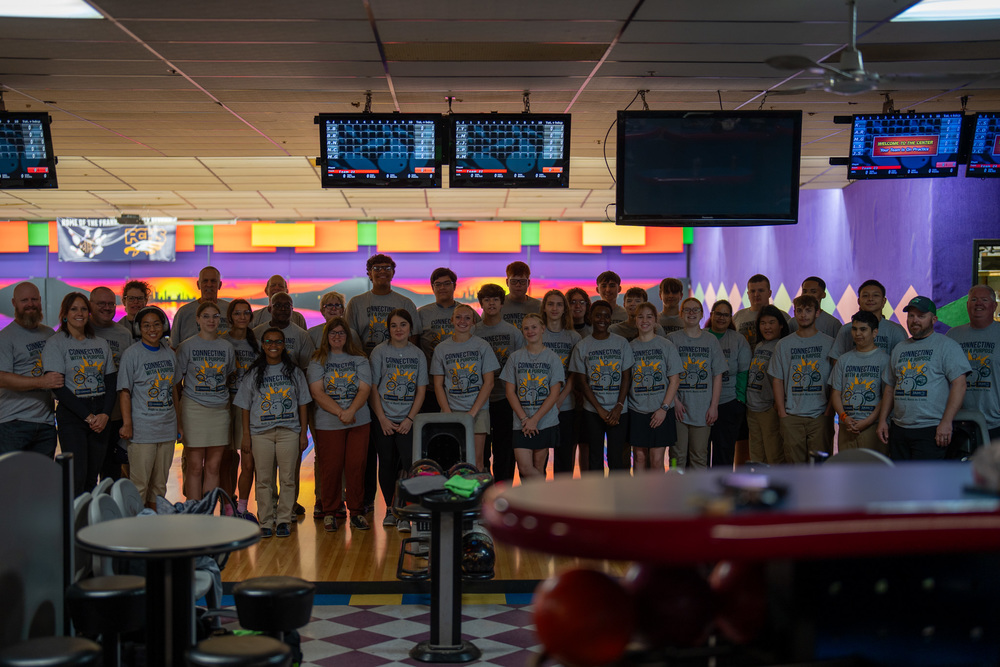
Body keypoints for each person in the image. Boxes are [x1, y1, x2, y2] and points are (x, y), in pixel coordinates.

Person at [234, 328, 311, 538]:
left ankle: (284, 520)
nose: (273, 345)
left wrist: (303, 433)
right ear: (263, 345)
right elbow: (245, 407)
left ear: (284, 344)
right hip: (261, 433)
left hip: (289, 431)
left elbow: (303, 404)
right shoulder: (254, 372)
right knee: (264, 480)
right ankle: (266, 521)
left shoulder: (294, 372)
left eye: (277, 341)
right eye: (268, 341)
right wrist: (246, 436)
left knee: (287, 479)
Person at [877, 296, 971, 460]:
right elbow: (890, 388)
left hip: (931, 429)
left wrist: (946, 422)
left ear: (933, 319)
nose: (915, 320)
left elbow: (960, 385)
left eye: (921, 316)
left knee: (926, 484)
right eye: (911, 316)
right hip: (899, 428)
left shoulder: (946, 345)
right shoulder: (900, 348)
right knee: (901, 482)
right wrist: (883, 420)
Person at [42, 292, 117, 495]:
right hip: (73, 415)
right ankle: (73, 524)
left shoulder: (100, 344)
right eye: (74, 309)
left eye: (83, 309)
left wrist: (104, 415)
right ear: (65, 314)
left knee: (93, 476)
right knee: (77, 476)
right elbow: (57, 387)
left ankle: (90, 522)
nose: (80, 313)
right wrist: (88, 416)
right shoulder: (55, 343)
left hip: (101, 413)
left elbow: (111, 383)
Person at [308, 317, 372, 533]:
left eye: (341, 333)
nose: (337, 336)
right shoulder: (318, 360)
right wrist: (340, 413)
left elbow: (364, 389)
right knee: (331, 468)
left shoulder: (360, 359)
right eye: (333, 333)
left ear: (348, 336)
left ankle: (356, 512)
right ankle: (330, 511)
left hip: (358, 420)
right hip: (328, 422)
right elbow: (317, 392)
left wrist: (351, 411)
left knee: (356, 466)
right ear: (326, 336)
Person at [369, 309, 428, 530]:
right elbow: (373, 388)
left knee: (408, 465)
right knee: (385, 464)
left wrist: (410, 419)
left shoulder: (418, 354)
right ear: (388, 329)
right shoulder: (378, 352)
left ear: (410, 328)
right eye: (394, 325)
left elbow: (421, 391)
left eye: (403, 324)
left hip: (407, 420)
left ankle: (405, 512)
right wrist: (382, 418)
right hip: (383, 419)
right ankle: (390, 510)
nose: (398, 329)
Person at [117, 306, 180, 507]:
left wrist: (178, 424)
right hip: (143, 429)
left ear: (164, 326)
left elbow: (174, 391)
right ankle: (137, 530)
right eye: (146, 325)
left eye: (156, 324)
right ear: (138, 329)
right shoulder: (132, 354)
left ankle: (154, 525)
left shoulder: (169, 353)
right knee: (140, 485)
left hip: (166, 428)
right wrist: (127, 424)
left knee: (160, 485)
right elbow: (124, 392)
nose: (152, 329)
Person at [175, 301, 236, 500]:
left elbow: (227, 376)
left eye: (215, 316)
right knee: (194, 465)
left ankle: (207, 514)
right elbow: (178, 381)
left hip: (219, 410)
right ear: (198, 319)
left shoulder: (226, 347)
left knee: (213, 466)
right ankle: (195, 511)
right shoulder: (187, 346)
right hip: (194, 409)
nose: (211, 320)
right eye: (206, 316)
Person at [431, 304, 500, 470]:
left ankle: (477, 496)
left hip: (477, 412)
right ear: (452, 320)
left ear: (473, 322)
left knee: (477, 462)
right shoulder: (441, 349)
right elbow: (438, 384)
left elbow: (489, 382)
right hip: (451, 411)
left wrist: (472, 413)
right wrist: (447, 414)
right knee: (452, 461)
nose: (463, 321)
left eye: (467, 318)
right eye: (458, 317)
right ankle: (456, 495)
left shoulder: (482, 346)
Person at [769, 295, 836, 463]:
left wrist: (829, 411)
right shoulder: (784, 345)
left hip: (820, 416)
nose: (803, 315)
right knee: (795, 468)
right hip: (792, 416)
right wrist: (782, 413)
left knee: (820, 469)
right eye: (799, 310)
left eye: (808, 310)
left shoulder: (829, 343)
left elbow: (837, 380)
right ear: (794, 312)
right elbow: (777, 379)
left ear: (817, 313)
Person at [570, 300, 634, 472]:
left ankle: (618, 495)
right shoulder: (582, 346)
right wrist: (598, 408)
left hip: (619, 411)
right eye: (598, 315)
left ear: (611, 318)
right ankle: (597, 496)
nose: (602, 319)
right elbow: (582, 382)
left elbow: (626, 378)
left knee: (616, 457)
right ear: (590, 317)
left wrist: (619, 406)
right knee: (595, 457)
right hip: (592, 411)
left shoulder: (621, 343)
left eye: (606, 316)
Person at [0, 282, 61, 457]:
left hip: (46, 423)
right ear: (14, 303)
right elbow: (2, 378)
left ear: (40, 301)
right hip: (13, 423)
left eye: (34, 299)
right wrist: (42, 382)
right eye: (24, 300)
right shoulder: (5, 338)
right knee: (13, 481)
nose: (30, 304)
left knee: (41, 481)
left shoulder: (49, 334)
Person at [502, 313, 565, 479]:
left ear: (542, 329)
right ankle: (550, 497)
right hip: (521, 422)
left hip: (544, 421)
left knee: (538, 466)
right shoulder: (515, 358)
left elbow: (554, 393)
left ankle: (535, 504)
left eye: (534, 327)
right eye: (526, 328)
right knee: (524, 467)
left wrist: (535, 419)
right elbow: (510, 392)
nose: (530, 331)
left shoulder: (552, 358)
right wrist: (525, 419)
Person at [473, 284, 524, 482]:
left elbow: (520, 368)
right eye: (487, 299)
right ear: (481, 304)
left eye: (495, 299)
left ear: (502, 303)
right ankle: (483, 493)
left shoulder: (514, 333)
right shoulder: (473, 332)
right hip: (479, 400)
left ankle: (504, 494)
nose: (491, 303)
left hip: (505, 398)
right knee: (481, 452)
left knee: (504, 451)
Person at [667, 298, 724, 469]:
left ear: (701, 314)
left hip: (703, 410)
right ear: (681, 313)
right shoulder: (671, 340)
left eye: (695, 310)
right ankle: (676, 488)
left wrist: (714, 406)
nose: (691, 313)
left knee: (699, 456)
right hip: (678, 410)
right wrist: (674, 402)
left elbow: (717, 375)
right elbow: (667, 375)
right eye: (687, 309)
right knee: (677, 456)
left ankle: (698, 492)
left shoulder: (711, 340)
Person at [628, 302, 681, 473]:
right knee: (639, 458)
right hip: (637, 410)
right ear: (635, 320)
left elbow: (675, 380)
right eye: (640, 316)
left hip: (661, 410)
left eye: (649, 316)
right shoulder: (629, 347)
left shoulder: (666, 346)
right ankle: (639, 498)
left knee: (657, 460)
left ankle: (657, 497)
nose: (645, 320)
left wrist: (664, 408)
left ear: (655, 320)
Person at [830, 310, 890, 454]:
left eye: (863, 329)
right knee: (846, 471)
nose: (858, 334)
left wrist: (868, 421)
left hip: (873, 427)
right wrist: (844, 417)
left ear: (874, 332)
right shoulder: (844, 360)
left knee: (873, 473)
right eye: (854, 329)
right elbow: (836, 393)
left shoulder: (885, 360)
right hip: (847, 426)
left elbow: (886, 396)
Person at [90, 286, 134, 481]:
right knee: (88, 471)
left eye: (111, 304)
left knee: (112, 471)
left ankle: (111, 510)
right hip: (88, 413)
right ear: (91, 305)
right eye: (101, 304)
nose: (107, 308)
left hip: (115, 412)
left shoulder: (124, 334)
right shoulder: (81, 330)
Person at [946, 285, 1000, 441]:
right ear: (967, 305)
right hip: (959, 421)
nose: (979, 304)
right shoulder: (953, 335)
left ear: (994, 305)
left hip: (995, 423)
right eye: (974, 300)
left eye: (984, 299)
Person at [224, 299, 260, 514]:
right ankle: (228, 504)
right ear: (230, 317)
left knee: (248, 461)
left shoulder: (255, 344)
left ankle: (243, 507)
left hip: (249, 409)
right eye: (237, 313)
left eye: (246, 313)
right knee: (228, 460)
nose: (242, 317)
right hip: (226, 406)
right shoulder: (222, 342)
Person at [705, 299, 751, 469]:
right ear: (711, 315)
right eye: (718, 314)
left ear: (731, 317)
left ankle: (720, 491)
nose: (722, 318)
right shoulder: (702, 336)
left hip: (728, 403)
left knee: (724, 454)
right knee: (701, 453)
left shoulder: (738, 340)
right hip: (702, 404)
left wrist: (739, 400)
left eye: (726, 315)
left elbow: (744, 372)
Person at [540, 289, 582, 474]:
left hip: (565, 405)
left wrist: (560, 398)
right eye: (550, 304)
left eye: (559, 304)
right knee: (539, 458)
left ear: (565, 309)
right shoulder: (537, 334)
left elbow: (574, 374)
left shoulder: (574, 337)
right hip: (539, 405)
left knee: (564, 458)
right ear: (544, 308)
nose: (554, 308)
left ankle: (563, 499)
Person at [346, 253, 421, 355]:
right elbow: (349, 337)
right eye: (376, 268)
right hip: (364, 363)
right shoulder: (355, 303)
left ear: (393, 273)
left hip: (396, 363)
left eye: (387, 268)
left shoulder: (406, 303)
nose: (382, 271)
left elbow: (414, 338)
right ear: (369, 273)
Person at [746, 305, 790, 464]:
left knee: (774, 454)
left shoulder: (782, 346)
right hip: (752, 408)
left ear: (781, 325)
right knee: (757, 454)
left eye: (771, 322)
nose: (767, 327)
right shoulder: (759, 345)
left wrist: (777, 404)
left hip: (769, 409)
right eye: (763, 323)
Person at [830, 279, 907, 359]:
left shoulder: (896, 330)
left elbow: (902, 361)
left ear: (884, 301)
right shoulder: (846, 329)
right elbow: (836, 359)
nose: (870, 299)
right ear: (859, 301)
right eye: (865, 296)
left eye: (875, 295)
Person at [252, 292, 315, 369]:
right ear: (270, 309)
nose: (283, 309)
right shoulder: (256, 333)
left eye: (287, 306)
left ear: (292, 309)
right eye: (278, 305)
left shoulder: (302, 335)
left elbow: (307, 368)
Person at [172, 266, 231, 345]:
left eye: (213, 281)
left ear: (220, 285)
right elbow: (174, 346)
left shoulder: (230, 310)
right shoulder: (183, 313)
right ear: (198, 284)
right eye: (205, 281)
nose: (209, 284)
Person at [734, 274, 793, 350]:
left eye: (761, 290)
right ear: (748, 294)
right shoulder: (737, 317)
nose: (756, 294)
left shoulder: (783, 316)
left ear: (769, 293)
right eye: (752, 291)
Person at [500, 261, 542, 330]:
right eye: (514, 281)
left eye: (522, 281)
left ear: (528, 283)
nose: (518, 285)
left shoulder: (538, 306)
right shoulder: (498, 305)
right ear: (507, 282)